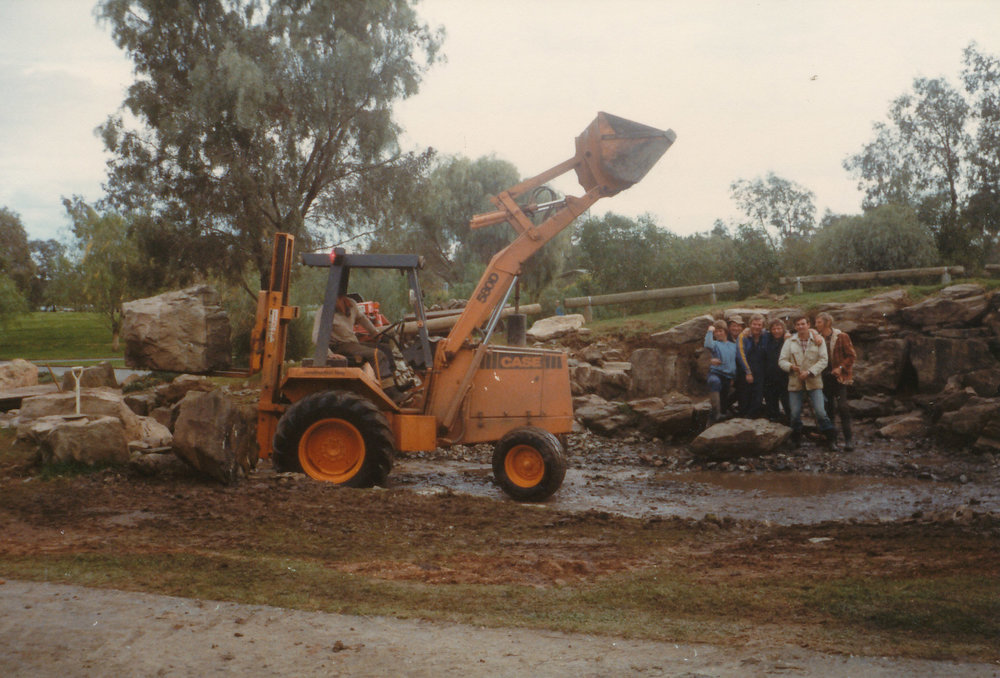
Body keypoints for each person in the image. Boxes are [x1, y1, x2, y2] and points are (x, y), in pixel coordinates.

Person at [778, 315, 837, 449]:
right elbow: (781, 360)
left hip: (814, 381)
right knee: (794, 413)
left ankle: (831, 439)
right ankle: (796, 439)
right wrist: (791, 367)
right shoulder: (789, 342)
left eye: (803, 324)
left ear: (808, 325)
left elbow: (824, 360)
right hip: (795, 381)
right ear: (795, 327)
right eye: (798, 325)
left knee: (820, 412)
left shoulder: (818, 340)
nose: (800, 327)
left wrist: (810, 372)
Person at [313, 294, 394, 383]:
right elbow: (316, 337)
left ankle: (395, 381)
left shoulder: (351, 304)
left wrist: (374, 333)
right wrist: (330, 354)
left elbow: (362, 318)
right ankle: (389, 390)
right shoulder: (324, 311)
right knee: (376, 354)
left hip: (352, 344)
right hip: (338, 346)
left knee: (385, 348)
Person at [814, 311, 857, 450]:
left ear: (827, 323)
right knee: (829, 409)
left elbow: (851, 356)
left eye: (818, 322)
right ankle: (832, 441)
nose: (816, 325)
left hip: (838, 378)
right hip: (823, 378)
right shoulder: (816, 338)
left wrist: (840, 367)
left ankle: (849, 440)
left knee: (843, 408)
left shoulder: (841, 336)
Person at [704, 319, 737, 422]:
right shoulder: (715, 344)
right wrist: (710, 331)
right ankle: (716, 414)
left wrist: (733, 377)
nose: (718, 334)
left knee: (724, 398)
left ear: (725, 332)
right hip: (716, 373)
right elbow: (707, 344)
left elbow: (734, 363)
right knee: (714, 381)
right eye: (716, 332)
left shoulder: (733, 346)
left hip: (728, 376)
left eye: (720, 331)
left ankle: (722, 412)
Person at [737, 313, 769, 418]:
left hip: (760, 371)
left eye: (759, 325)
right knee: (745, 396)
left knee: (758, 397)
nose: (756, 327)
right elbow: (741, 355)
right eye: (754, 324)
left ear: (763, 326)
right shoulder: (743, 336)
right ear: (750, 324)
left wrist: (813, 332)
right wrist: (748, 372)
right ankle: (742, 418)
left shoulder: (765, 335)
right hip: (746, 370)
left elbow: (781, 331)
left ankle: (752, 418)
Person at [763, 318, 790, 422]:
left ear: (783, 329)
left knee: (787, 401)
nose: (776, 331)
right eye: (773, 329)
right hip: (770, 376)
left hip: (784, 376)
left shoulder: (788, 339)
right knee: (771, 401)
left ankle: (790, 422)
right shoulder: (767, 338)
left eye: (779, 328)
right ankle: (774, 420)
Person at [726, 315, 746, 416]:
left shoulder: (744, 338)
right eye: (733, 325)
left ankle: (742, 410)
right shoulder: (724, 340)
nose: (736, 328)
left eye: (738, 326)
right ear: (729, 327)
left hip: (742, 371)